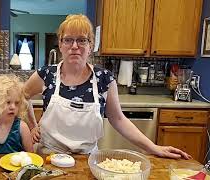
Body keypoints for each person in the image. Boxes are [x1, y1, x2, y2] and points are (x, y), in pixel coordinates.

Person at [23, 14, 191, 159]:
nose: (75, 46)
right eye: (68, 40)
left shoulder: (104, 79)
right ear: (60, 45)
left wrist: (154, 148)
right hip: (48, 157)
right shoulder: (46, 74)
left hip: (86, 159)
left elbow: (118, 119)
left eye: (82, 40)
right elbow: (22, 96)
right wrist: (32, 126)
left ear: (90, 46)